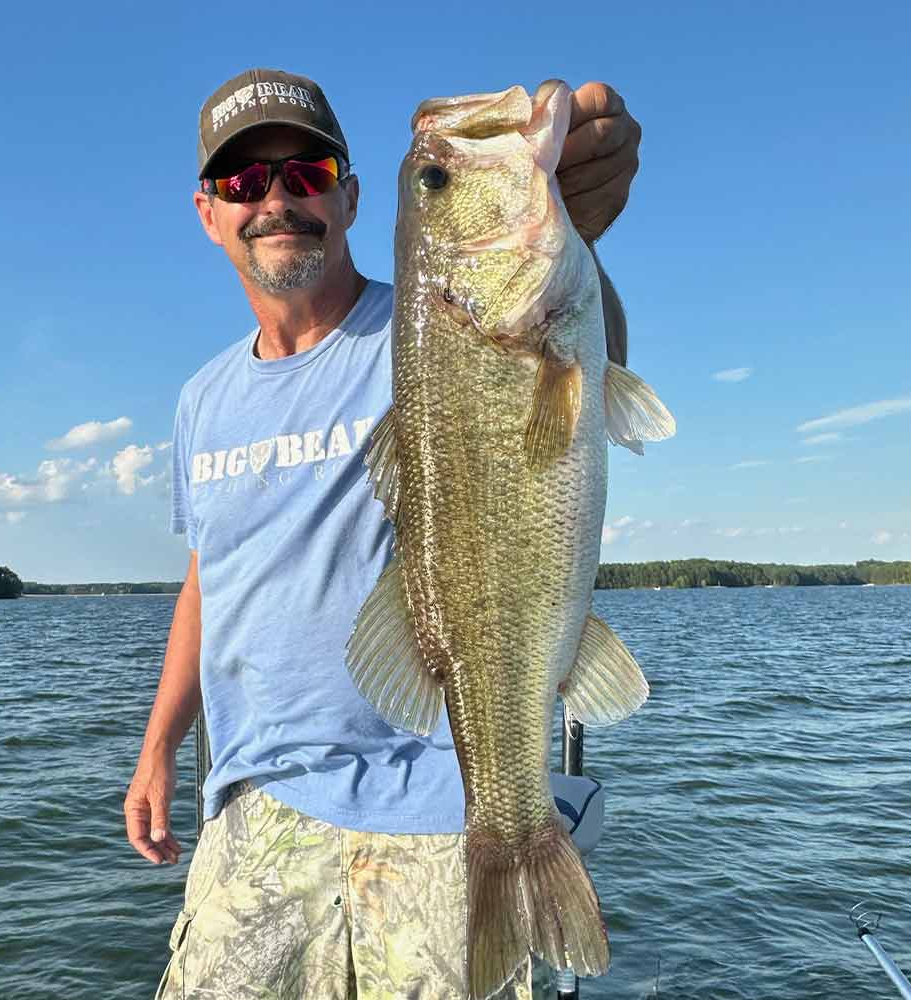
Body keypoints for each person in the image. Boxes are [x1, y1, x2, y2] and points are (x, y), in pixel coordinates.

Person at [125, 67, 642, 1000]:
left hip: (443, 806)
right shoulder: (201, 400)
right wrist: (160, 744)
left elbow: (575, 353)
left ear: (352, 195)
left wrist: (580, 233)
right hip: (260, 808)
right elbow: (210, 574)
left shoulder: (431, 322)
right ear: (210, 213)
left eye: (306, 171)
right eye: (244, 183)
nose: (277, 199)